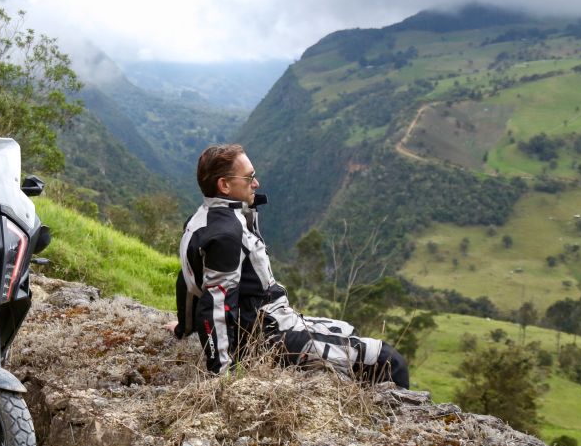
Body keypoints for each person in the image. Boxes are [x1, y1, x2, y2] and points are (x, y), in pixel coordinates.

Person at [173, 143, 410, 388]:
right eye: (250, 177)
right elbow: (216, 306)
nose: (256, 183)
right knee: (390, 362)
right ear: (224, 185)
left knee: (348, 331)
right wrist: (222, 377)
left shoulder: (199, 221)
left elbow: (188, 278)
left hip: (274, 322)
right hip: (271, 336)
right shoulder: (226, 234)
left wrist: (184, 327)